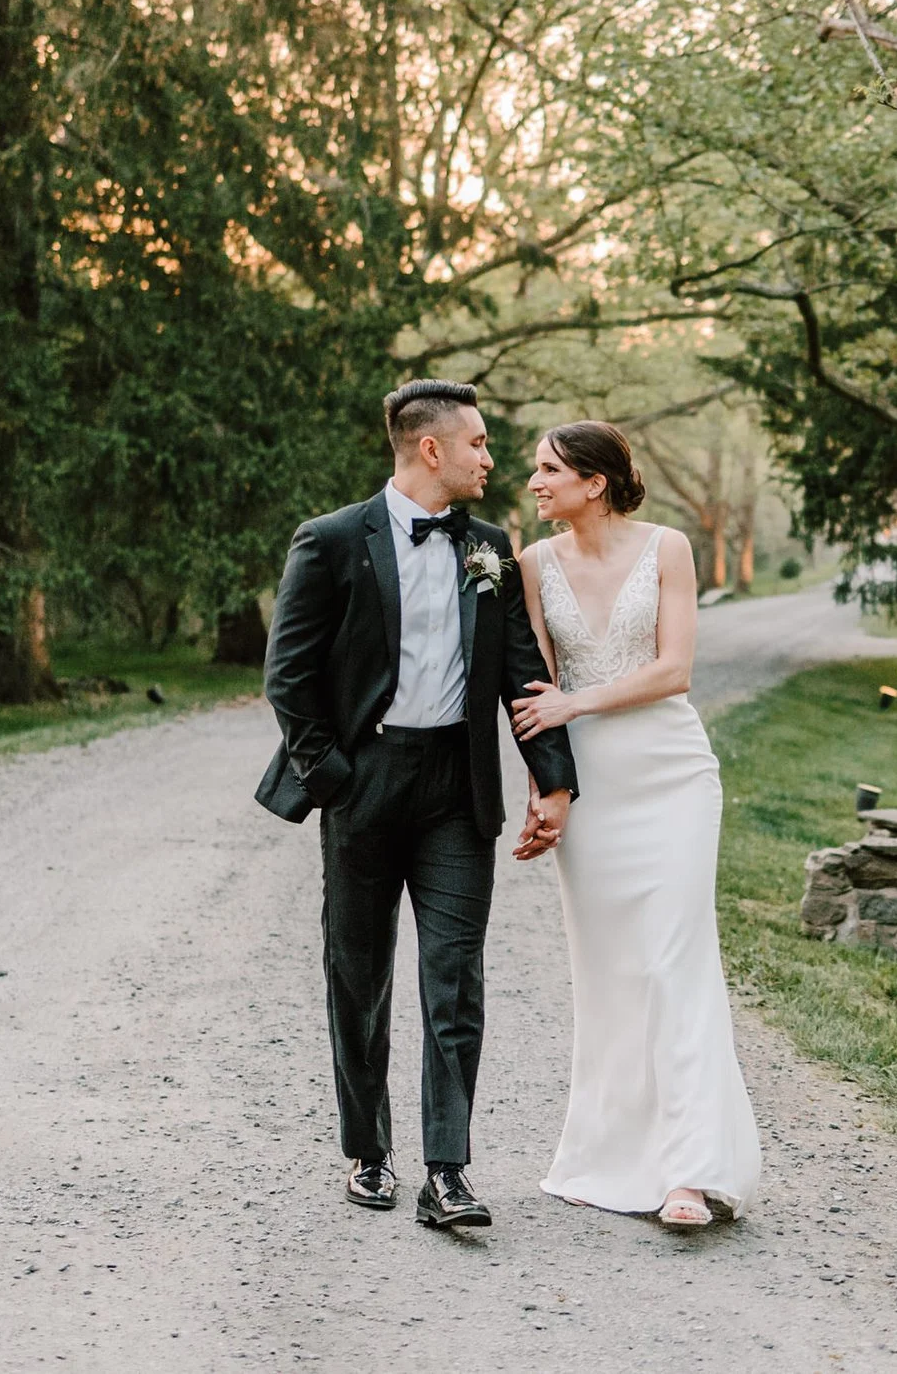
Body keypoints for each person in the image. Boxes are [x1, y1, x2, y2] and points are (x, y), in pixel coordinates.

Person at [256, 380, 579, 1229]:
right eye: (477, 442)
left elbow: (520, 671)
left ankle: (448, 1172)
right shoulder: (330, 542)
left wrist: (554, 780)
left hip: (454, 790)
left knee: (454, 981)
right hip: (364, 784)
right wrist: (334, 779)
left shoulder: (490, 547)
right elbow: (287, 678)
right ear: (429, 449)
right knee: (358, 977)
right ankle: (368, 1151)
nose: (490, 456)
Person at [511, 421, 761, 1227]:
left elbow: (673, 669)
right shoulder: (532, 564)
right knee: (611, 970)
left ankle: (690, 1171)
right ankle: (608, 1155)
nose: (534, 481)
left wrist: (576, 700)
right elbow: (531, 689)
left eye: (548, 469)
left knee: (673, 962)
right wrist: (545, 792)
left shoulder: (669, 548)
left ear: (595, 480)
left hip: (672, 774)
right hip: (593, 791)